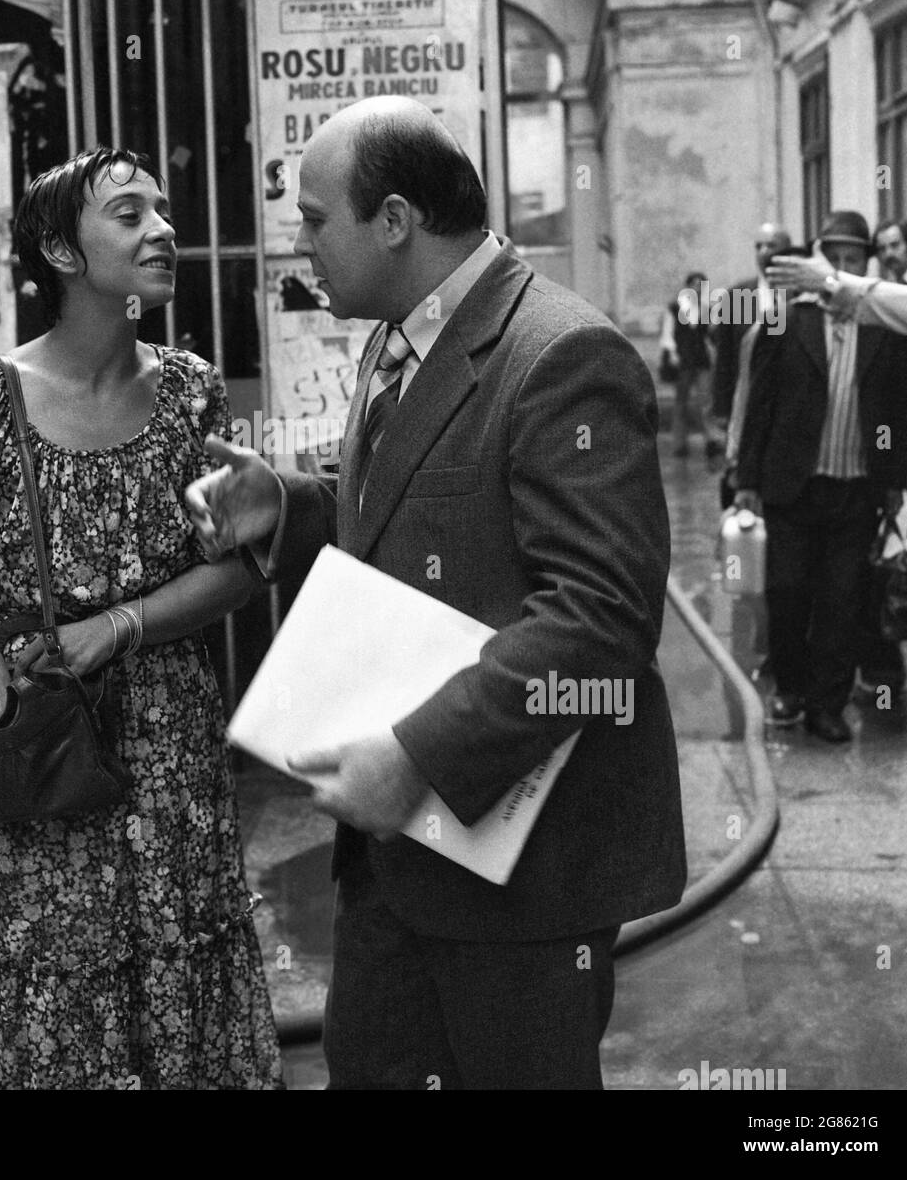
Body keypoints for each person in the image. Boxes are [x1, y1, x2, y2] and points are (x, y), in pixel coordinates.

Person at [186, 97, 687, 1090]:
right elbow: (419, 514)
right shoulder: (395, 336)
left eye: (315, 217)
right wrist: (285, 506)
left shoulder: (558, 356)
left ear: (395, 219)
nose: (299, 243)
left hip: (524, 881)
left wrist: (416, 752)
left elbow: (600, 619)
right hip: (399, 867)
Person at [0, 146, 283, 1090]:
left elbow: (240, 571)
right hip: (38, 739)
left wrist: (121, 627)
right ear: (59, 249)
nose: (162, 230)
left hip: (167, 746)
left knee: (178, 962)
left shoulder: (190, 392)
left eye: (163, 212)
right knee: (40, 978)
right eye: (129, 214)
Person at [736, 211, 907, 742]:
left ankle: (827, 705)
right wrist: (746, 479)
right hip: (793, 485)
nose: (839, 268)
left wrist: (893, 481)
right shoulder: (786, 319)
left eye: (851, 260)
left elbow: (893, 409)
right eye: (830, 259)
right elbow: (760, 404)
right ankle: (791, 688)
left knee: (841, 599)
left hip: (856, 488)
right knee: (787, 592)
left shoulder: (886, 327)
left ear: (865, 266)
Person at [711, 223, 791, 509]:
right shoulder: (738, 296)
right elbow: (725, 358)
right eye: (759, 246)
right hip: (743, 399)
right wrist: (721, 408)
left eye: (772, 245)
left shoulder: (797, 295)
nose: (764, 252)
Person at [659, 270, 716, 458]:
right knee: (680, 402)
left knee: (706, 401)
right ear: (688, 286)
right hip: (683, 360)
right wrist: (673, 354)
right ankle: (679, 444)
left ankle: (710, 440)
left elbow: (709, 336)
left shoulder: (706, 309)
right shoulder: (675, 308)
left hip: (700, 359)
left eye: (701, 287)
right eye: (695, 285)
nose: (698, 290)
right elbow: (668, 333)